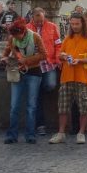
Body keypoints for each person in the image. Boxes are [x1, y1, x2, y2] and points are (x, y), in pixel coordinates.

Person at [49, 13, 87, 144]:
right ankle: (61, 133)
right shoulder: (67, 38)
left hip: (83, 78)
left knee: (84, 106)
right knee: (63, 106)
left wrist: (80, 60)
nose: (74, 26)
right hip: (67, 77)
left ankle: (81, 133)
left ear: (82, 23)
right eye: (72, 24)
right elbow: (60, 55)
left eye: (77, 24)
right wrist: (64, 56)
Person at [0, 19, 46, 144]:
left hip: (34, 73)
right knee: (14, 106)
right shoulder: (12, 38)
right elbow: (7, 50)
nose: (17, 39)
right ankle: (12, 135)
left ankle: (30, 134)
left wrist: (26, 61)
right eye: (14, 36)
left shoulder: (35, 37)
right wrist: (4, 57)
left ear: (24, 32)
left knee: (31, 106)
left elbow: (43, 55)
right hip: (17, 73)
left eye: (18, 36)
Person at [26, 7, 61, 137]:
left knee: (50, 85)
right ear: (33, 17)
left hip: (49, 64)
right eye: (38, 20)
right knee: (37, 97)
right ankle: (40, 125)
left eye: (42, 20)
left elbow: (58, 44)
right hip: (34, 66)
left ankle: (41, 91)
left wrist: (57, 59)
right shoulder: (27, 28)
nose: (41, 22)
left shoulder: (52, 26)